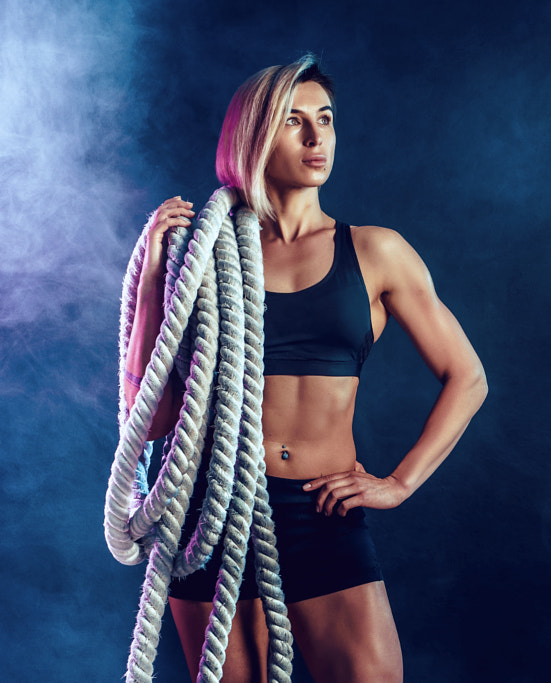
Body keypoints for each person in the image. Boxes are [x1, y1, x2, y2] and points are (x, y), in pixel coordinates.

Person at [121, 54, 487, 682]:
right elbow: (149, 419)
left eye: (326, 119)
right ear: (255, 136)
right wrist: (155, 278)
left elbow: (468, 377)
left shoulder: (376, 252)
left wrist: (398, 483)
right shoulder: (206, 257)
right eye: (295, 122)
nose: (318, 138)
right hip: (214, 517)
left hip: (324, 516)